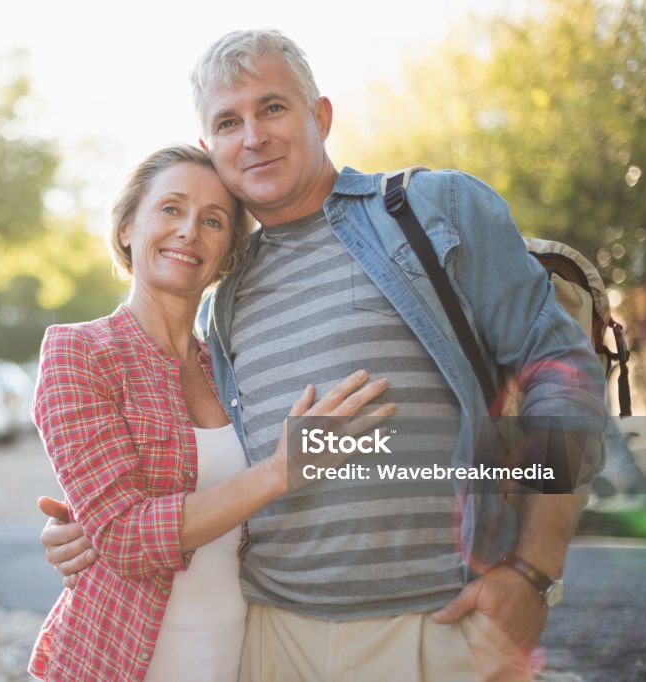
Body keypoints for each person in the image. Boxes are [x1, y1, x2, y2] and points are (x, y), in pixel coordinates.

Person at [40, 31, 608, 681]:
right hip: (269, 639)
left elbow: (562, 375)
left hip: (435, 630)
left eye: (273, 107)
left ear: (322, 116)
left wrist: (534, 571)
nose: (252, 136)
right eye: (229, 121)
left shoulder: (432, 210)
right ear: (210, 148)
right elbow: (223, 473)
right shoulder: (222, 297)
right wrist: (101, 529)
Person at [28, 144, 393, 682]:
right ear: (128, 226)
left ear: (228, 252)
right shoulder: (78, 351)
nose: (189, 231)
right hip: (122, 658)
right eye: (171, 209)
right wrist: (280, 471)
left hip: (238, 651)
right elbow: (125, 538)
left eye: (213, 220)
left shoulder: (232, 364)